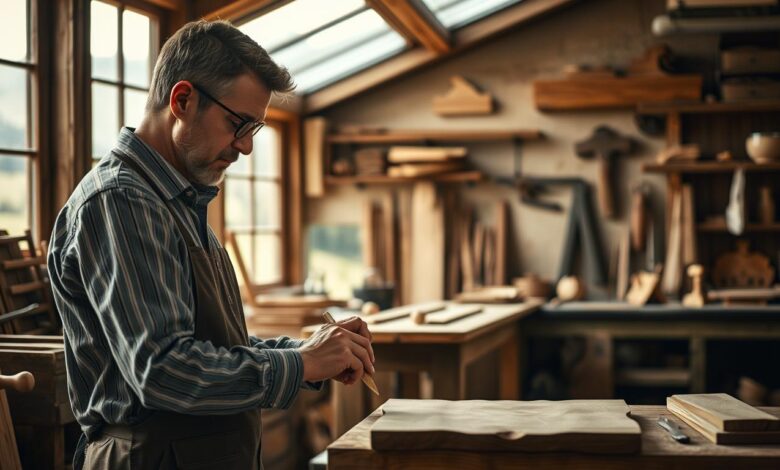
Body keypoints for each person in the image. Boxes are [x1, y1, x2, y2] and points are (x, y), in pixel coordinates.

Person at [47, 19, 375, 470]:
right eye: (238, 124)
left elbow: (211, 345)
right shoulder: (123, 201)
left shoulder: (177, 200)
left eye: (254, 130)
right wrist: (300, 366)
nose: (244, 148)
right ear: (182, 100)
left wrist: (303, 352)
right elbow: (162, 370)